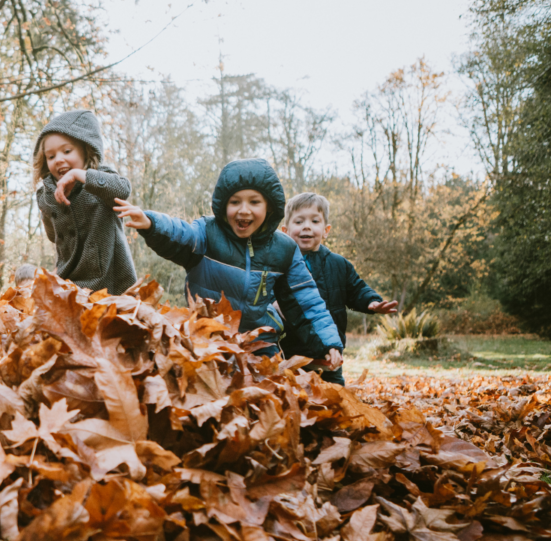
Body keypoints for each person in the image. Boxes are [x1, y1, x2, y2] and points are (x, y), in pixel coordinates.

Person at [113, 158, 343, 367]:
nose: (244, 210)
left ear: (269, 207)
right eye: (235, 202)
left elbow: (306, 300)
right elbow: (181, 233)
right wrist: (151, 223)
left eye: (254, 202)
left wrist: (328, 343)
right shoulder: (207, 234)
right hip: (209, 338)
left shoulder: (284, 250)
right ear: (224, 206)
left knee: (270, 395)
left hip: (259, 342)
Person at [277, 192, 398, 385]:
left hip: (329, 357)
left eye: (314, 221)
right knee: (294, 400)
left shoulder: (338, 265)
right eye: (299, 222)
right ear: (285, 231)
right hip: (291, 354)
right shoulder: (279, 267)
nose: (306, 226)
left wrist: (371, 302)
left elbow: (356, 289)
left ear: (326, 230)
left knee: (335, 398)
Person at [33, 110, 137, 296]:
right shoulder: (46, 196)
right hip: (70, 285)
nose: (59, 160)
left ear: (86, 149)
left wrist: (79, 176)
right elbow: (53, 235)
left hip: (110, 285)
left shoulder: (99, 182)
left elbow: (123, 189)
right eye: (51, 156)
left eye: (67, 151)